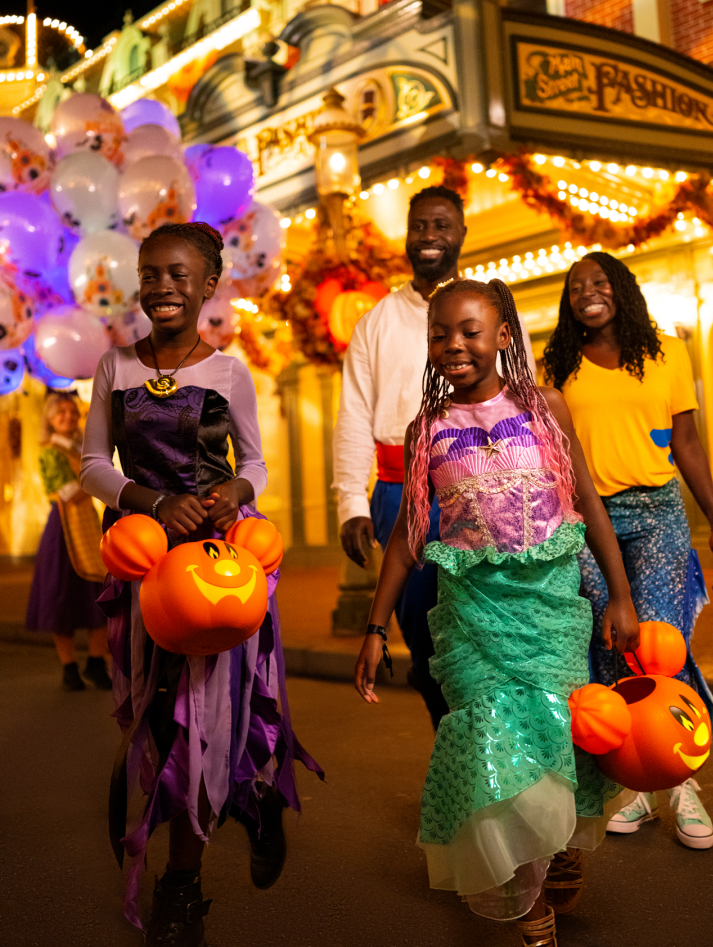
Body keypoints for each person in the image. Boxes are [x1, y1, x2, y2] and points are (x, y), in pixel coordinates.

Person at [355, 278, 639, 945]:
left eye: (469, 331)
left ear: (504, 336)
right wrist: (374, 627)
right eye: (439, 334)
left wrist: (620, 596)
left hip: (549, 608)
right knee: (490, 738)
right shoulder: (426, 427)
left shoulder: (546, 408)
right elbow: (406, 536)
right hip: (472, 612)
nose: (453, 345)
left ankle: (556, 845)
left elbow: (590, 505)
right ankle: (525, 895)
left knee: (552, 733)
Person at [81, 221, 321, 944]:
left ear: (209, 286)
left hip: (218, 568)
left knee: (205, 726)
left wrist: (234, 498)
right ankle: (251, 798)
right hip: (145, 567)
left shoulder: (229, 369)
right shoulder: (113, 366)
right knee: (158, 723)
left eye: (179, 275)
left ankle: (182, 888)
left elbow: (254, 463)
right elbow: (94, 465)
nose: (162, 287)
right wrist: (153, 501)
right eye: (151, 274)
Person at [334, 185, 535, 728]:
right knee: (425, 648)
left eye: (441, 225)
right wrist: (352, 501)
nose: (429, 237)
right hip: (400, 492)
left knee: (491, 633)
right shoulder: (374, 322)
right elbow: (352, 415)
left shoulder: (495, 313)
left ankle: (494, 754)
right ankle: (458, 747)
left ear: (462, 235)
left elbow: (528, 401)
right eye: (419, 225)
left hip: (487, 487)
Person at [543, 252, 713, 851]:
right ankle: (640, 780)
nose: (587, 294)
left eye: (599, 282)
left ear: (622, 289)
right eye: (576, 288)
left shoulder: (669, 353)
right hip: (590, 518)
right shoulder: (559, 363)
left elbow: (689, 445)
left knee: (662, 643)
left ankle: (682, 781)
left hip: (659, 510)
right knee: (614, 643)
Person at [25, 392, 111, 691]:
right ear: (49, 418)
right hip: (62, 530)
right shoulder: (50, 451)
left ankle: (97, 662)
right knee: (61, 596)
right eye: (60, 412)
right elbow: (69, 492)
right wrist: (98, 475)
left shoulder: (81, 448)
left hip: (88, 524)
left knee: (99, 594)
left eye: (72, 411)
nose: (68, 416)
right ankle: (69, 666)